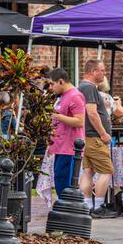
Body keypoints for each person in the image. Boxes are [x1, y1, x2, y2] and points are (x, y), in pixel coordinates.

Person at [76, 59, 114, 216]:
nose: (104, 73)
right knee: (106, 171)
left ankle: (86, 206)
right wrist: (103, 134)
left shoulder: (82, 87)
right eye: (102, 70)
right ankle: (98, 207)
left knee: (89, 171)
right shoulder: (89, 87)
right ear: (93, 72)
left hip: (86, 137)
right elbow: (91, 112)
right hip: (94, 138)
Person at [48, 68, 86, 196]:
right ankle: (62, 206)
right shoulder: (63, 96)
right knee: (59, 179)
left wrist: (57, 116)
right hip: (60, 146)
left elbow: (80, 121)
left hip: (70, 147)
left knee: (65, 181)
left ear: (60, 81)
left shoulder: (75, 96)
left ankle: (66, 208)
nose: (51, 87)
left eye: (52, 84)